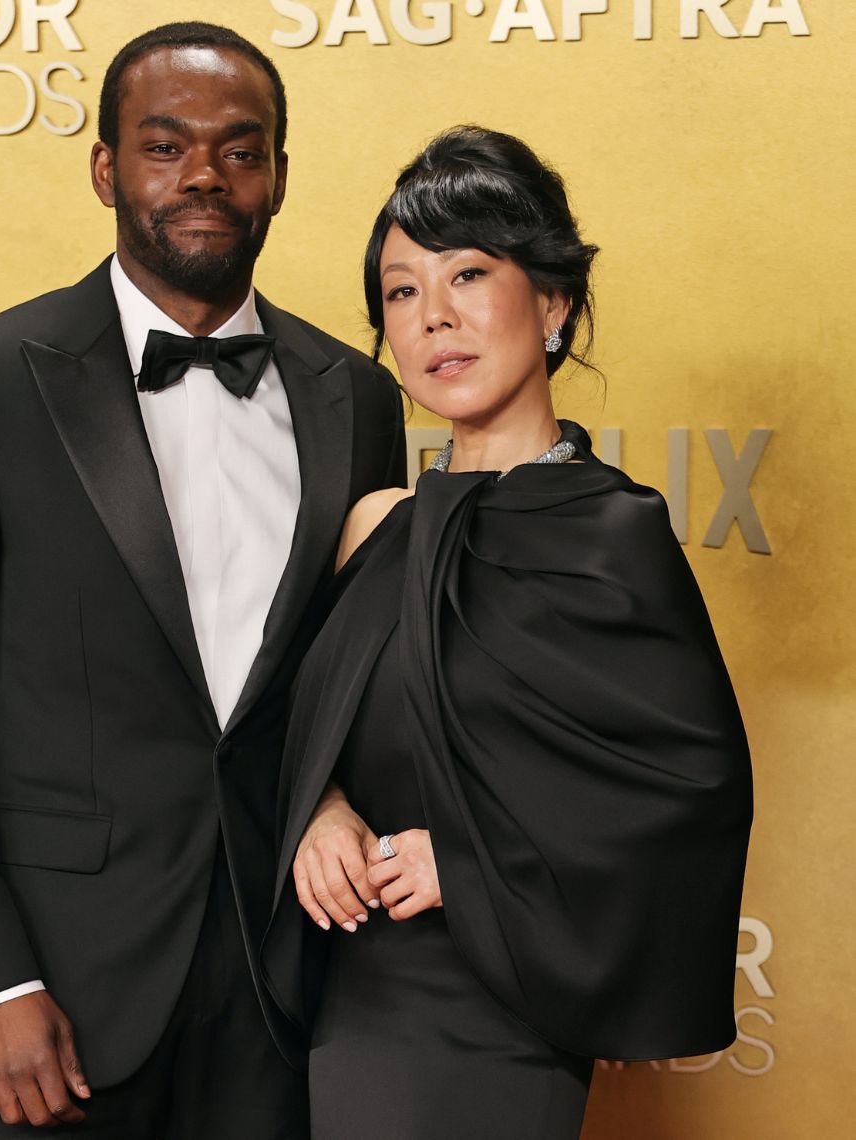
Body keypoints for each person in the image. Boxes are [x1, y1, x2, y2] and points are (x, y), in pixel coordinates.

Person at [0, 22, 405, 1137]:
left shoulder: (355, 395)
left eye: (239, 150)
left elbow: (357, 675)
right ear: (107, 169)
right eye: (166, 147)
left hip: (291, 979)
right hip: (58, 992)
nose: (204, 175)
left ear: (278, 178)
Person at [266, 126, 753, 1138]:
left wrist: (472, 864)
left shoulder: (612, 532)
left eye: (469, 274)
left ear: (553, 301)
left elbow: (686, 796)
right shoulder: (374, 526)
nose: (433, 316)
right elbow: (294, 730)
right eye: (401, 291)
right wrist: (323, 810)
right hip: (336, 998)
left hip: (502, 1012)